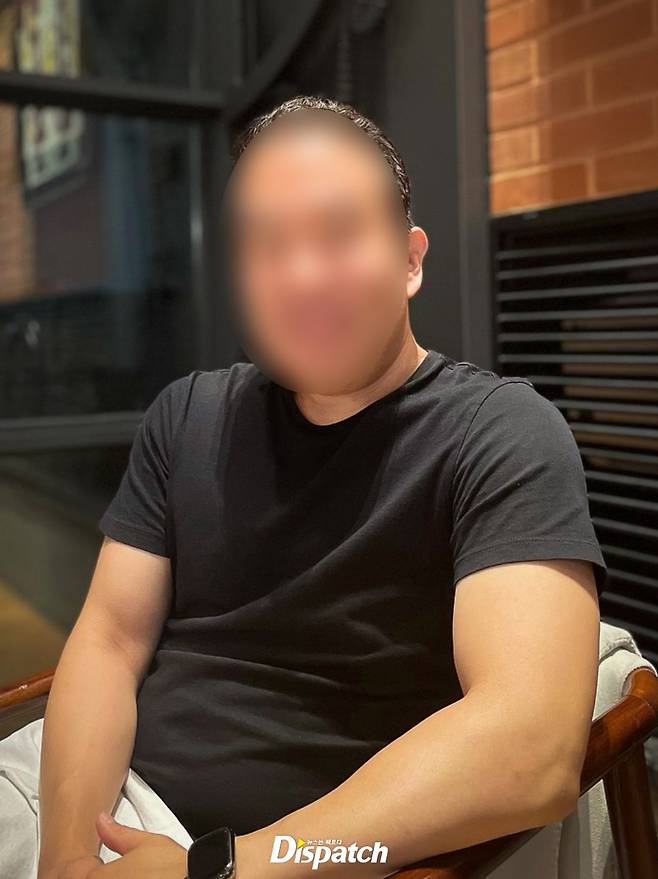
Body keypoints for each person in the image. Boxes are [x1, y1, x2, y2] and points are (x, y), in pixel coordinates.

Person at [19, 95, 607, 879]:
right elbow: (109, 640)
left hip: (322, 854)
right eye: (267, 245)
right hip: (113, 806)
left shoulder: (499, 433)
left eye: (338, 234)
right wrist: (67, 856)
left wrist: (226, 868)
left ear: (410, 259)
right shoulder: (187, 415)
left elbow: (532, 748)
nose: (301, 276)